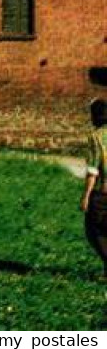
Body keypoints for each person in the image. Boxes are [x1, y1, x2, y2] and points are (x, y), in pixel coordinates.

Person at [81, 98, 107, 279]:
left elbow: (92, 170)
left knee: (93, 230)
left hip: (103, 194)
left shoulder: (95, 137)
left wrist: (86, 196)